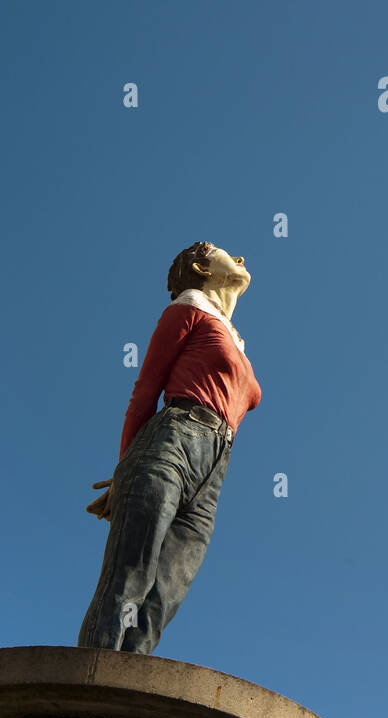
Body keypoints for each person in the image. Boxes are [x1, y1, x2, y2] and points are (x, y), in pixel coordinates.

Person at [77, 241, 261, 654]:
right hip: (174, 439)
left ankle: (122, 706)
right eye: (224, 252)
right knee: (128, 579)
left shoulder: (235, 340)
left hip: (214, 470)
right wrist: (125, 469)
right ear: (201, 267)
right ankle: (86, 695)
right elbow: (144, 393)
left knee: (162, 599)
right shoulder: (187, 311)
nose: (241, 258)